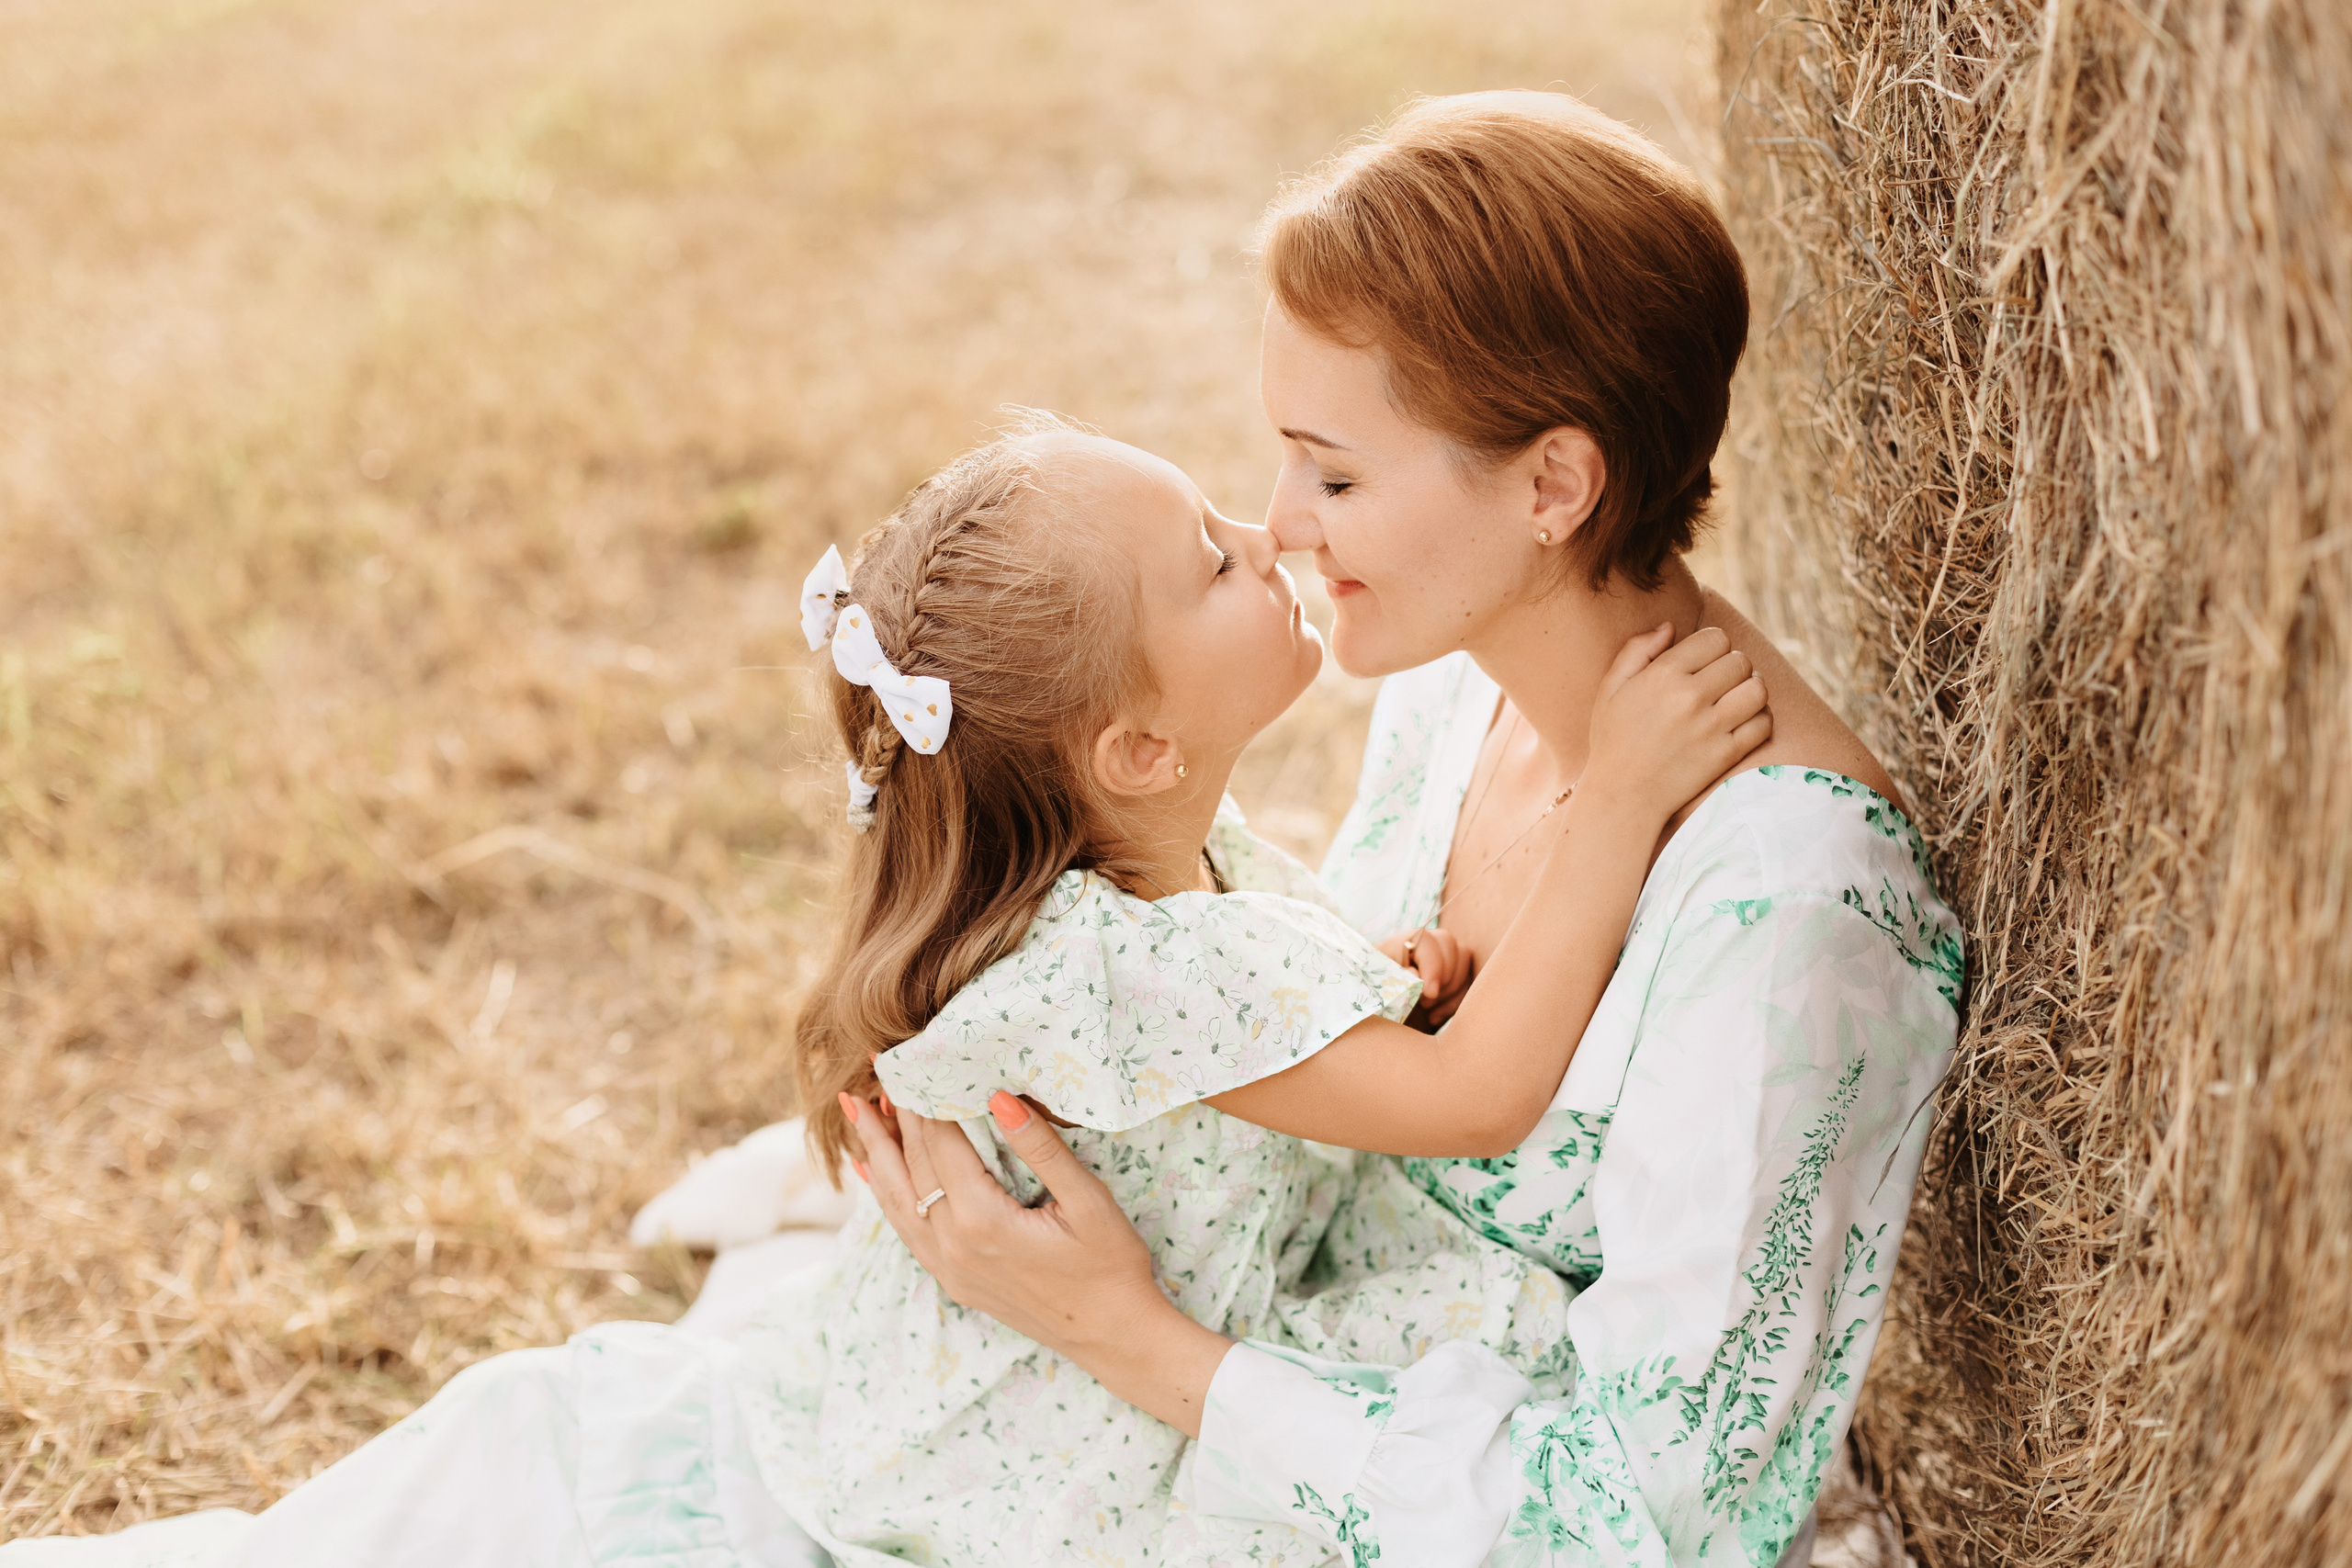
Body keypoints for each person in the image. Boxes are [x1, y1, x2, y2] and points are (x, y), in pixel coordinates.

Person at [836, 91, 1962, 1568]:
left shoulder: (1790, 921)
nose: (1282, 522)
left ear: (1554, 485)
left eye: (1338, 472)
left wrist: (1126, 1336)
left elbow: (1642, 1519)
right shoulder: (1451, 687)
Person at [741, 422, 1765, 1565]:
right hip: (1074, 1456)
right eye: (1211, 563)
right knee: (1511, 1345)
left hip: (999, 1375)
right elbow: (1474, 1097)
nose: (1265, 535)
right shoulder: (1134, 970)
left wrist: (1344, 985)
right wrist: (1620, 796)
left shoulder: (1124, 887)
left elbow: (1201, 1037)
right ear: (1137, 751)